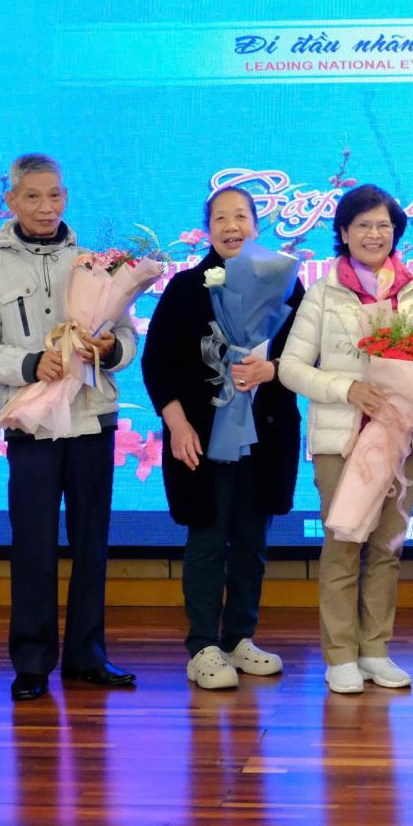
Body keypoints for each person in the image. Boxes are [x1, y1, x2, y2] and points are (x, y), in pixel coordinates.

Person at [0, 153, 139, 702]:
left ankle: (88, 656)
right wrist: (31, 364)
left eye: (54, 195)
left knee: (92, 542)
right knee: (33, 544)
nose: (45, 206)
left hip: (91, 419)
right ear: (11, 200)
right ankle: (32, 662)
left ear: (66, 197)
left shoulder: (96, 264)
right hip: (31, 424)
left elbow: (128, 337)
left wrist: (111, 347)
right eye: (32, 196)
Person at [143, 187, 302, 690]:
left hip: (266, 435)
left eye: (241, 217)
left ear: (256, 224)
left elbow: (307, 356)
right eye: (220, 218)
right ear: (207, 229)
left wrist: (272, 369)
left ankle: (239, 638)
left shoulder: (287, 285)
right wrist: (177, 423)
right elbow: (156, 362)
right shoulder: (186, 287)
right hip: (202, 436)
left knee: (252, 541)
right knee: (208, 538)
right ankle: (202, 646)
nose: (231, 226)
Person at [278, 184, 413, 694]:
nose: (374, 234)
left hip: (401, 439)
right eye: (363, 225)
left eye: (383, 225)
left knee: (387, 548)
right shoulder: (323, 293)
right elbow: (290, 368)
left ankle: (375, 651)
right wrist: (348, 389)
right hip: (341, 441)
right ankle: (341, 654)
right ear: (343, 233)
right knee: (344, 545)